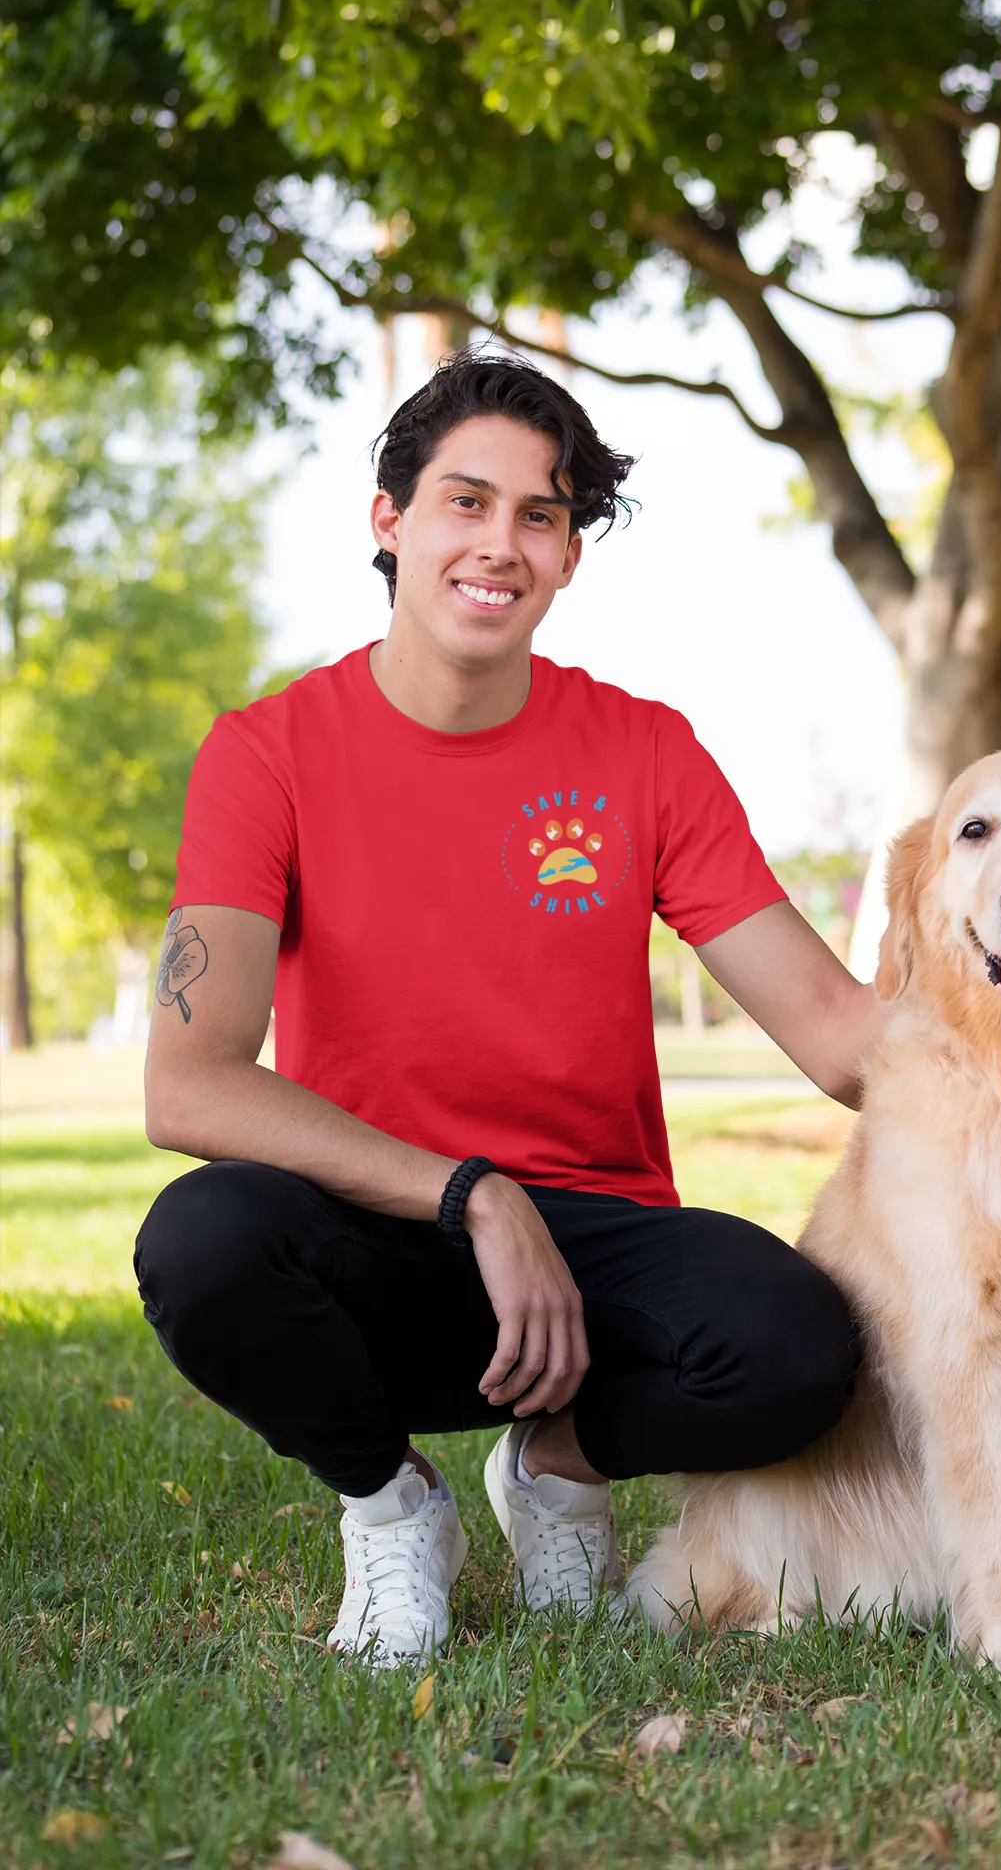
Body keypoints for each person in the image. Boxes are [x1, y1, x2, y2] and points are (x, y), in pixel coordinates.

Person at [136, 350, 880, 1666]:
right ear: (392, 520)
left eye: (542, 515)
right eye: (466, 503)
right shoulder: (266, 755)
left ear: (572, 553)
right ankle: (391, 1499)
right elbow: (189, 1084)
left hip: (593, 1260)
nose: (502, 544)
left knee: (799, 1349)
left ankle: (557, 1463)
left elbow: (835, 1033)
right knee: (203, 1243)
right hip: (378, 1230)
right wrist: (474, 1193)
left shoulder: (645, 751)